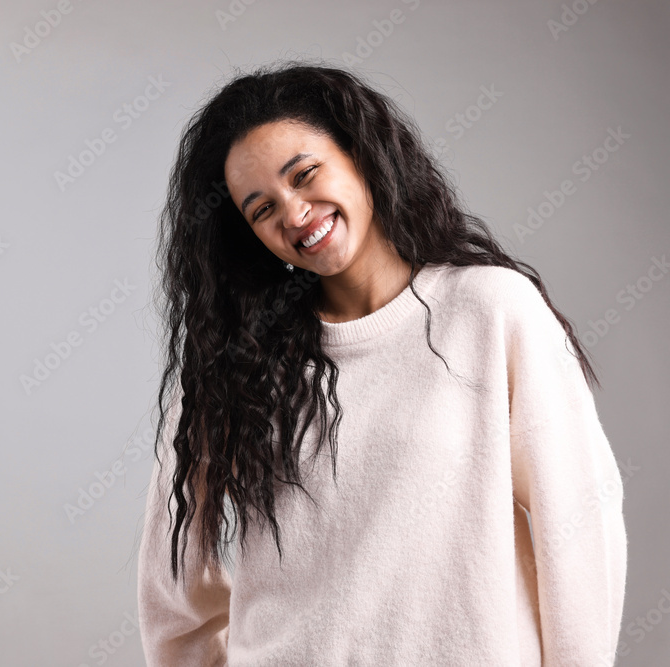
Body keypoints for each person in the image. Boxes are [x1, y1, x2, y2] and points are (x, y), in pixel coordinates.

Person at [135, 59, 628, 666]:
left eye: (305, 174)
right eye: (261, 209)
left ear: (360, 155)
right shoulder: (237, 363)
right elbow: (174, 595)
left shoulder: (491, 312)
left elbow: (578, 519)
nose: (294, 213)